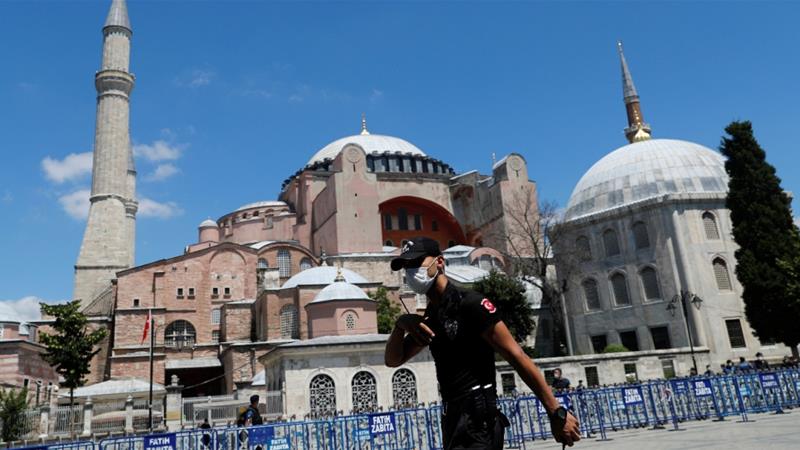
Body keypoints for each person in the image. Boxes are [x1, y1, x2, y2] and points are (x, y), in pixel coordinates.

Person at [384, 237, 580, 449]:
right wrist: (400, 325)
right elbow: (393, 360)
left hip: (478, 422)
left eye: (416, 263)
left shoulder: (471, 304)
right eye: (406, 267)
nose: (411, 271)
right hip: (452, 421)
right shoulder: (432, 316)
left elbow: (517, 356)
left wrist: (556, 412)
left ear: (439, 262)